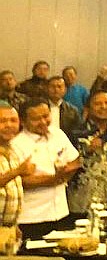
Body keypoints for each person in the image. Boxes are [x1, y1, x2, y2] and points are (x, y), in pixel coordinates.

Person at [12, 99, 82, 239]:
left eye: (46, 116)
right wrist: (54, 179)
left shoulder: (58, 134)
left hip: (61, 212)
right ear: (23, 121)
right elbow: (21, 182)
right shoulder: (16, 145)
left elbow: (75, 161)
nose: (43, 122)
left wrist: (60, 178)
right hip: (31, 218)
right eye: (36, 119)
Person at [0, 102, 31, 249]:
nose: (9, 125)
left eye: (13, 120)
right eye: (2, 121)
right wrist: (17, 171)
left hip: (8, 230)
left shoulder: (13, 150)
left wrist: (14, 225)